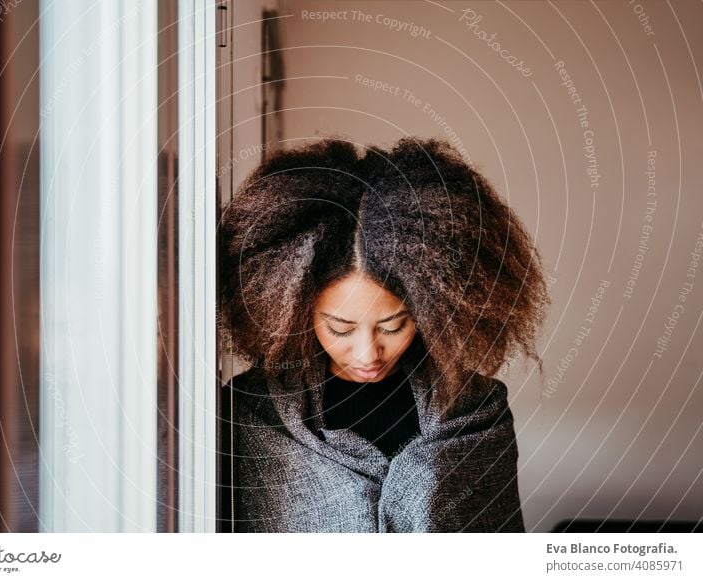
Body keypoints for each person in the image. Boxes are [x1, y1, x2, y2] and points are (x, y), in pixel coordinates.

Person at [217, 136, 550, 532]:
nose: (368, 353)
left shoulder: (475, 414)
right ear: (292, 311)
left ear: (434, 309)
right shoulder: (252, 417)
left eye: (393, 326)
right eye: (339, 328)